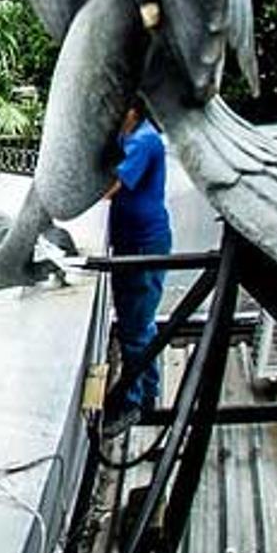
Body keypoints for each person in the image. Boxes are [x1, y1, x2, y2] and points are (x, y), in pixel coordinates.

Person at [103, 107, 172, 434]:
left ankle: (134, 402)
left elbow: (108, 187)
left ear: (130, 107)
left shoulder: (144, 140)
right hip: (132, 241)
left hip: (144, 246)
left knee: (134, 327)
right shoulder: (127, 134)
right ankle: (147, 394)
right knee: (139, 324)